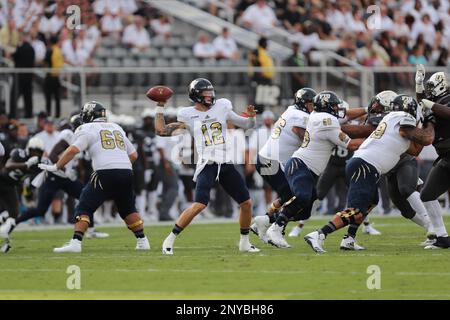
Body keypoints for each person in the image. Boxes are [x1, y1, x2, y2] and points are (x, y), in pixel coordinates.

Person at [304, 95, 434, 253]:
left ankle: (349, 239)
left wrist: (423, 124)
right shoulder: (403, 117)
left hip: (365, 164)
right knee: (356, 209)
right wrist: (430, 122)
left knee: (371, 201)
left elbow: (414, 149)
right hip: (366, 165)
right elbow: (427, 139)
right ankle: (319, 234)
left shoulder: (392, 120)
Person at [155, 78, 259, 254]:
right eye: (206, 93)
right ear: (196, 96)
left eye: (211, 93)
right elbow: (161, 131)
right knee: (199, 205)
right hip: (207, 164)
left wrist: (252, 117)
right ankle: (170, 239)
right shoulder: (187, 114)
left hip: (225, 163)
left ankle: (244, 242)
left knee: (246, 203)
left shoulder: (223, 106)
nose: (210, 96)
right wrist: (159, 106)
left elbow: (247, 125)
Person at [37, 101, 150, 253]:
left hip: (104, 172)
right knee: (128, 208)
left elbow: (72, 150)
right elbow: (134, 155)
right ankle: (143, 241)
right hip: (126, 171)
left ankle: (76, 243)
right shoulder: (116, 127)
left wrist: (56, 166)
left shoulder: (86, 128)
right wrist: (119, 166)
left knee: (84, 206)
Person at [266, 91, 364, 248]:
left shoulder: (318, 116)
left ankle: (267, 220)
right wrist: (376, 138)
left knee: (304, 212)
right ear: (327, 107)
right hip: (301, 165)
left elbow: (346, 114)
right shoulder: (327, 120)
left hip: (306, 168)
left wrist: (367, 109)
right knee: (302, 197)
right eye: (334, 106)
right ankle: (275, 229)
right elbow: (351, 144)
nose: (337, 108)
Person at [251, 88, 315, 244]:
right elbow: (300, 132)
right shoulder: (300, 115)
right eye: (312, 103)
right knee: (294, 195)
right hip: (270, 160)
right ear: (304, 103)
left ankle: (264, 221)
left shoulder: (292, 110)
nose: (314, 107)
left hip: (269, 159)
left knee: (292, 196)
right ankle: (274, 227)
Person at [416, 65, 450, 249]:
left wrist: (429, 104)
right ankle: (442, 237)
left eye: (430, 86)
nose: (429, 91)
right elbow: (422, 103)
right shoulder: (434, 102)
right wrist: (418, 85)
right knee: (427, 194)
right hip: (445, 156)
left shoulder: (446, 100)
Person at [0, 138, 45, 245]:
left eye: (38, 152)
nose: (36, 154)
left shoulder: (38, 163)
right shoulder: (19, 154)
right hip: (1, 180)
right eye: (34, 151)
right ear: (28, 149)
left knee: (14, 213)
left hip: (11, 186)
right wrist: (26, 164)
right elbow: (8, 165)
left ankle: (3, 234)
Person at [10, 33, 35, 119]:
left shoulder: (20, 48)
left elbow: (14, 56)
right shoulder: (32, 49)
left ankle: (12, 114)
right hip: (28, 77)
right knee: (28, 98)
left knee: (14, 97)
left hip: (19, 77)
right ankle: (29, 114)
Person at [44, 35, 64, 118]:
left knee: (48, 97)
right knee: (57, 98)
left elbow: (45, 61)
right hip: (57, 76)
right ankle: (57, 115)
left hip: (50, 75)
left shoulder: (50, 50)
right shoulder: (59, 50)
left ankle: (48, 114)